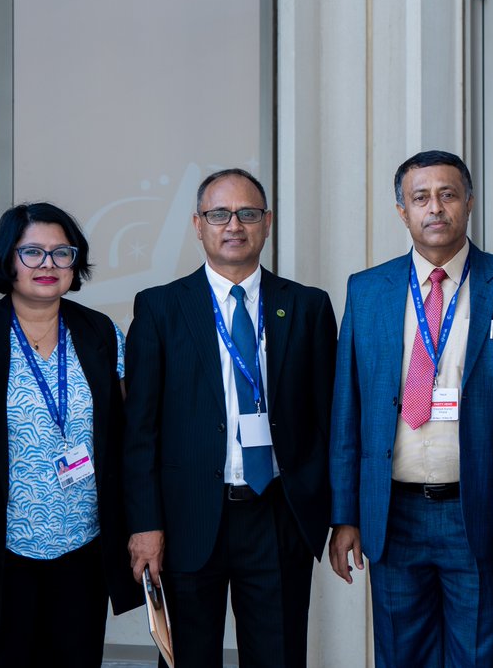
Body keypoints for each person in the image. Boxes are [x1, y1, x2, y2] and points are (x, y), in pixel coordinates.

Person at [124, 169, 337, 667]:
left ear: (267, 223)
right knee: (188, 658)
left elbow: (330, 421)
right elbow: (139, 431)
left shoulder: (306, 307)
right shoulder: (159, 308)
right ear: (198, 225)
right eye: (219, 214)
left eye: (247, 213)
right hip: (189, 517)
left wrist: (338, 513)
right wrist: (145, 524)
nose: (233, 225)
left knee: (279, 655)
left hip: (277, 514)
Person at [328, 150, 493, 667]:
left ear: (469, 203)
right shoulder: (367, 290)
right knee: (401, 656)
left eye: (447, 194)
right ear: (403, 211)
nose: (435, 207)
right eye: (421, 197)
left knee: (482, 656)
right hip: (393, 515)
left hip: (478, 514)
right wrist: (345, 515)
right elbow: (348, 410)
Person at [0, 203, 141, 666]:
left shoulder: (101, 333)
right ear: (7, 260)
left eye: (61, 253)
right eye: (32, 252)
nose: (47, 265)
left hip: (82, 547)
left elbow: (131, 433)